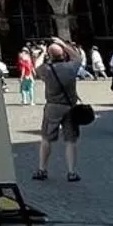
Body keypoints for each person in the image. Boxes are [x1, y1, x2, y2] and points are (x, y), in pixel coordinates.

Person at [33, 40, 84, 183]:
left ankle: (42, 169)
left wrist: (43, 52)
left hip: (53, 107)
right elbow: (78, 58)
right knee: (71, 140)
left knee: (46, 139)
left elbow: (36, 65)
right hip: (70, 107)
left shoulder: (46, 70)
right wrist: (63, 44)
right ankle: (72, 172)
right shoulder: (71, 67)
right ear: (63, 54)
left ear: (50, 56)